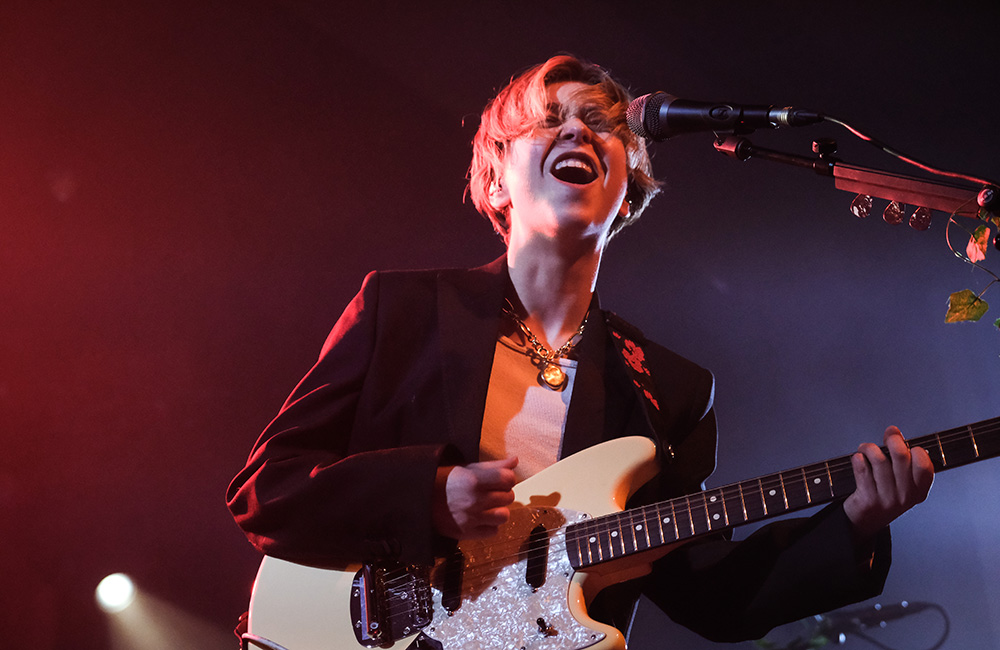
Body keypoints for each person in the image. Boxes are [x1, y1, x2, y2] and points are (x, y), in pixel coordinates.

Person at [226, 55, 934, 644]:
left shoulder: (669, 388)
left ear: (629, 190)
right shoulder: (403, 310)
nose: (578, 131)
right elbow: (266, 491)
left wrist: (854, 523)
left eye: (602, 124)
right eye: (550, 120)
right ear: (496, 178)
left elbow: (714, 597)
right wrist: (429, 495)